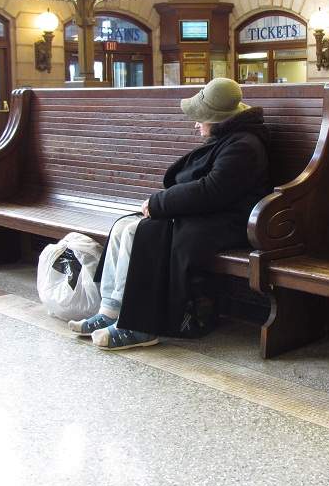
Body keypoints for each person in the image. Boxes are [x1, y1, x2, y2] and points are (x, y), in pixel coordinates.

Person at [68, 77, 271, 350]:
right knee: (123, 226)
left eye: (201, 118)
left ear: (218, 119)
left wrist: (159, 203)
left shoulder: (244, 146)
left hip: (230, 222)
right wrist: (160, 203)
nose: (196, 123)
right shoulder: (231, 137)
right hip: (210, 214)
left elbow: (212, 190)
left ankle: (140, 325)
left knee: (142, 231)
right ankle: (111, 310)